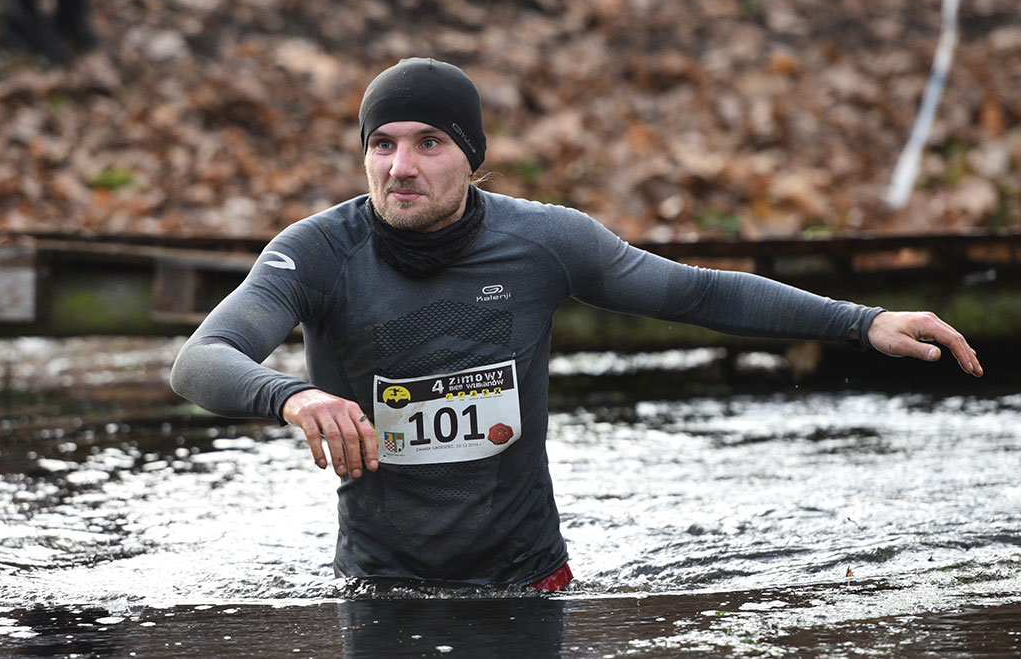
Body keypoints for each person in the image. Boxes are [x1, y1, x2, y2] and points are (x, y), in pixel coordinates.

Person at [170, 57, 983, 592]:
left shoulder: (543, 241)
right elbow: (200, 359)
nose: (400, 166)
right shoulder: (317, 254)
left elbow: (696, 293)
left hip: (530, 581)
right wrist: (291, 396)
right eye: (380, 145)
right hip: (379, 588)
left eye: (428, 142)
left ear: (473, 157)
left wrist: (862, 320)